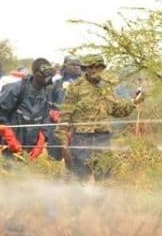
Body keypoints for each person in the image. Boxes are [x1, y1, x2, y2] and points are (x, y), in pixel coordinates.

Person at [58, 53, 142, 181]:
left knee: (104, 177)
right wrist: (64, 146)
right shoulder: (75, 88)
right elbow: (64, 117)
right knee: (80, 178)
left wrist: (134, 102)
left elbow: (118, 110)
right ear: (85, 69)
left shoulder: (106, 88)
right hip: (81, 139)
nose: (94, 70)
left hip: (103, 138)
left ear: (102, 69)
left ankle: (101, 200)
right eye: (91, 67)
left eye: (98, 67)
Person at [0, 58, 62, 159]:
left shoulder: (45, 93)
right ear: (37, 74)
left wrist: (41, 141)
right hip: (10, 147)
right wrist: (9, 137)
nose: (49, 80)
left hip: (31, 149)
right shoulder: (16, 89)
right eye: (47, 76)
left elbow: (45, 119)